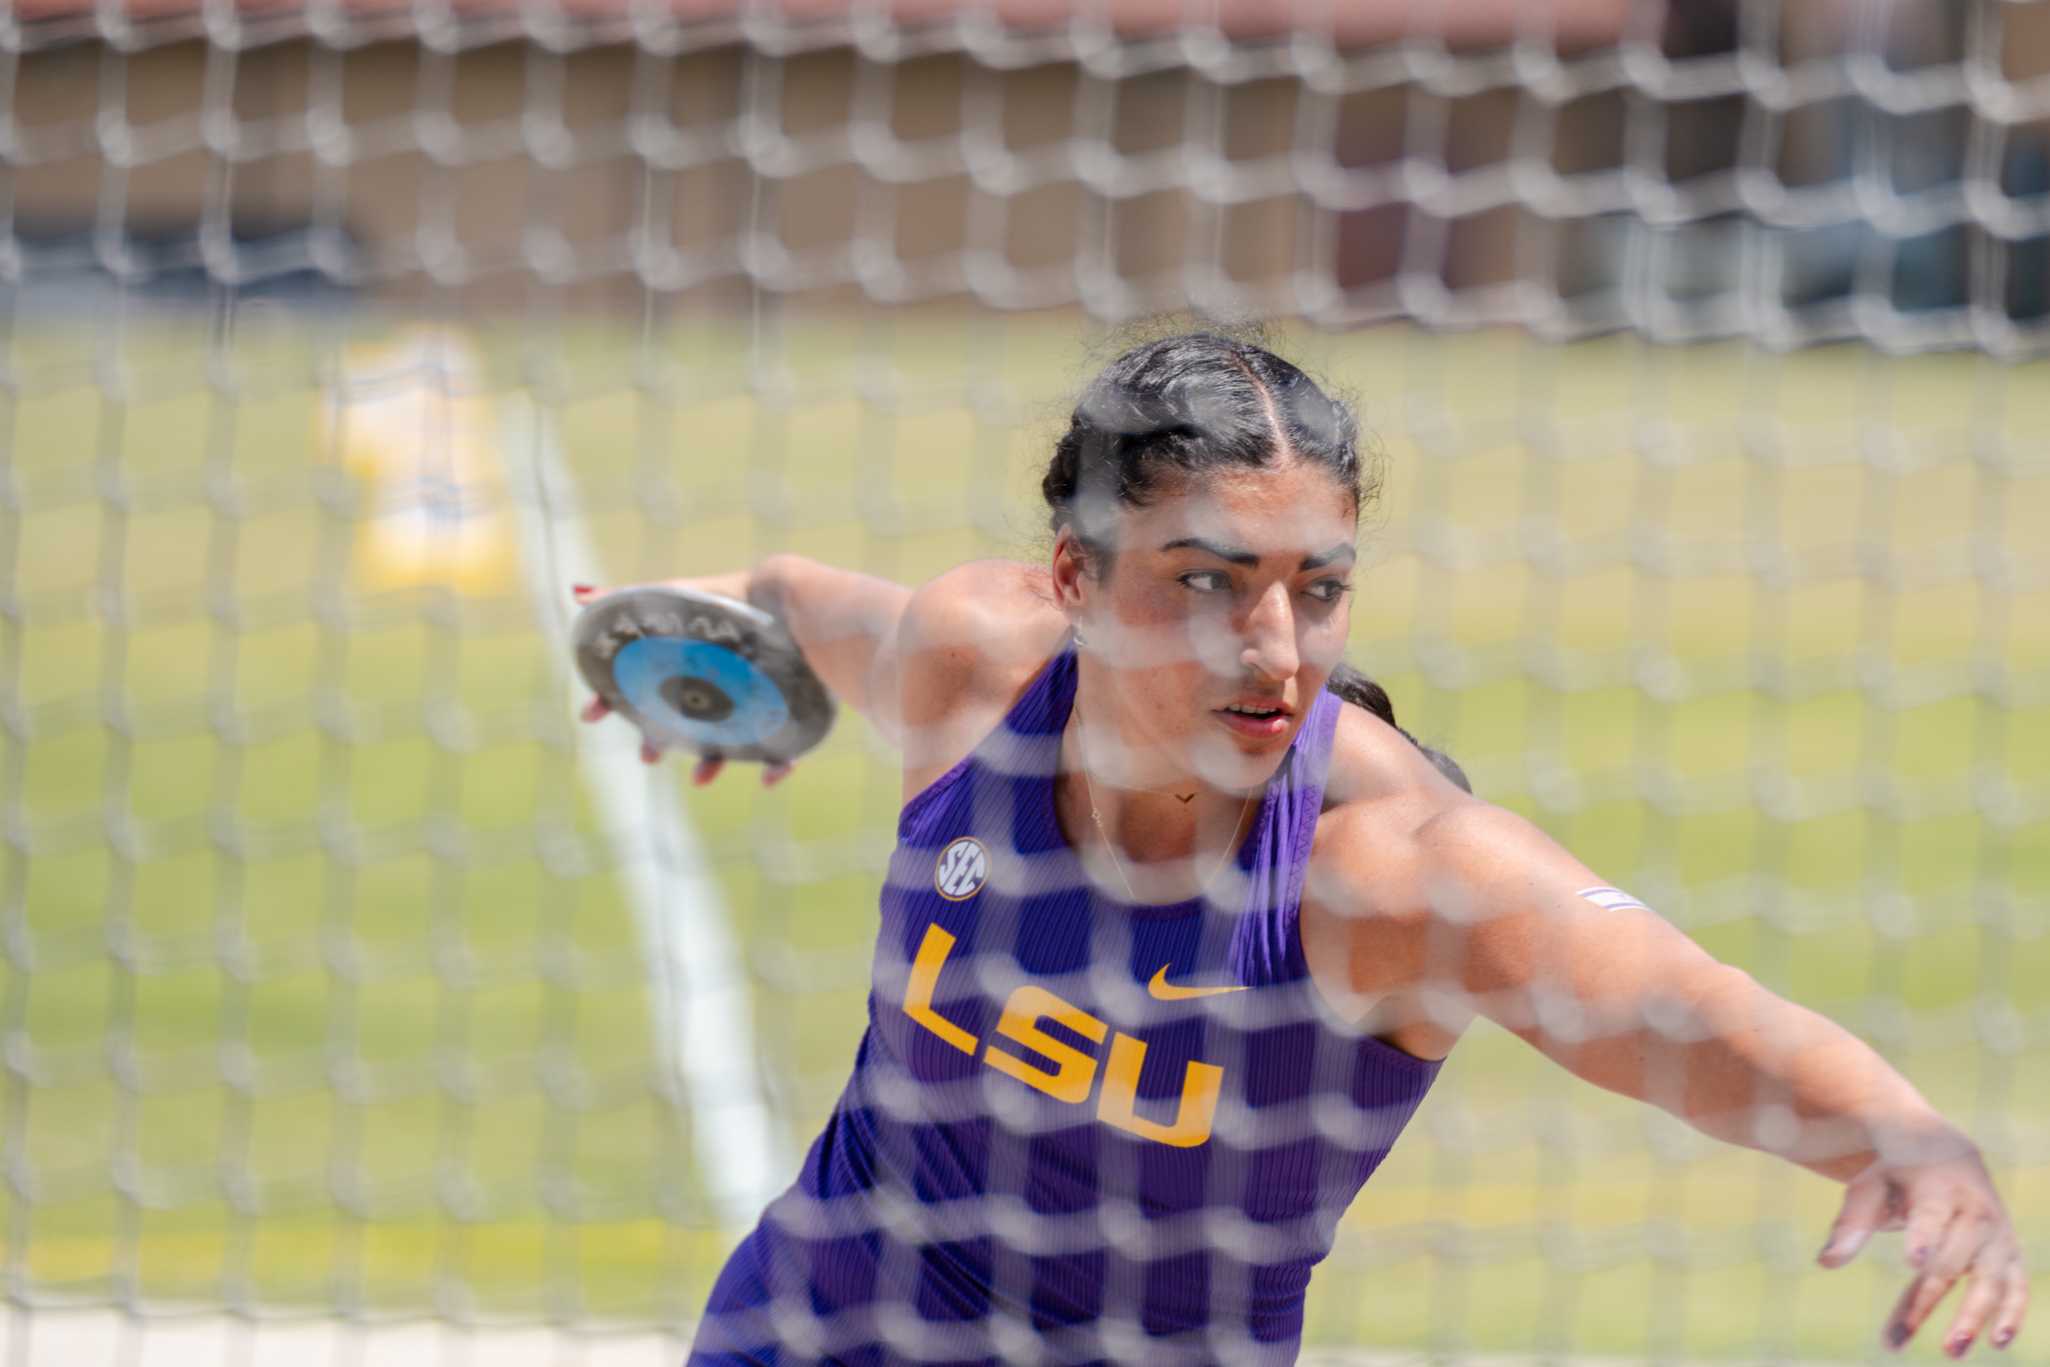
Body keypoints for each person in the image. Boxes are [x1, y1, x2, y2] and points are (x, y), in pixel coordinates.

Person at [573, 332, 2028, 1366]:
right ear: (1075, 578)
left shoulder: (1385, 879)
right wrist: (680, 652)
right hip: (804, 1330)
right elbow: (785, 597)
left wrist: (1904, 1137)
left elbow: (1682, 1001)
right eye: (1207, 582)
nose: (1271, 648)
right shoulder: (981, 664)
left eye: (1313, 591)